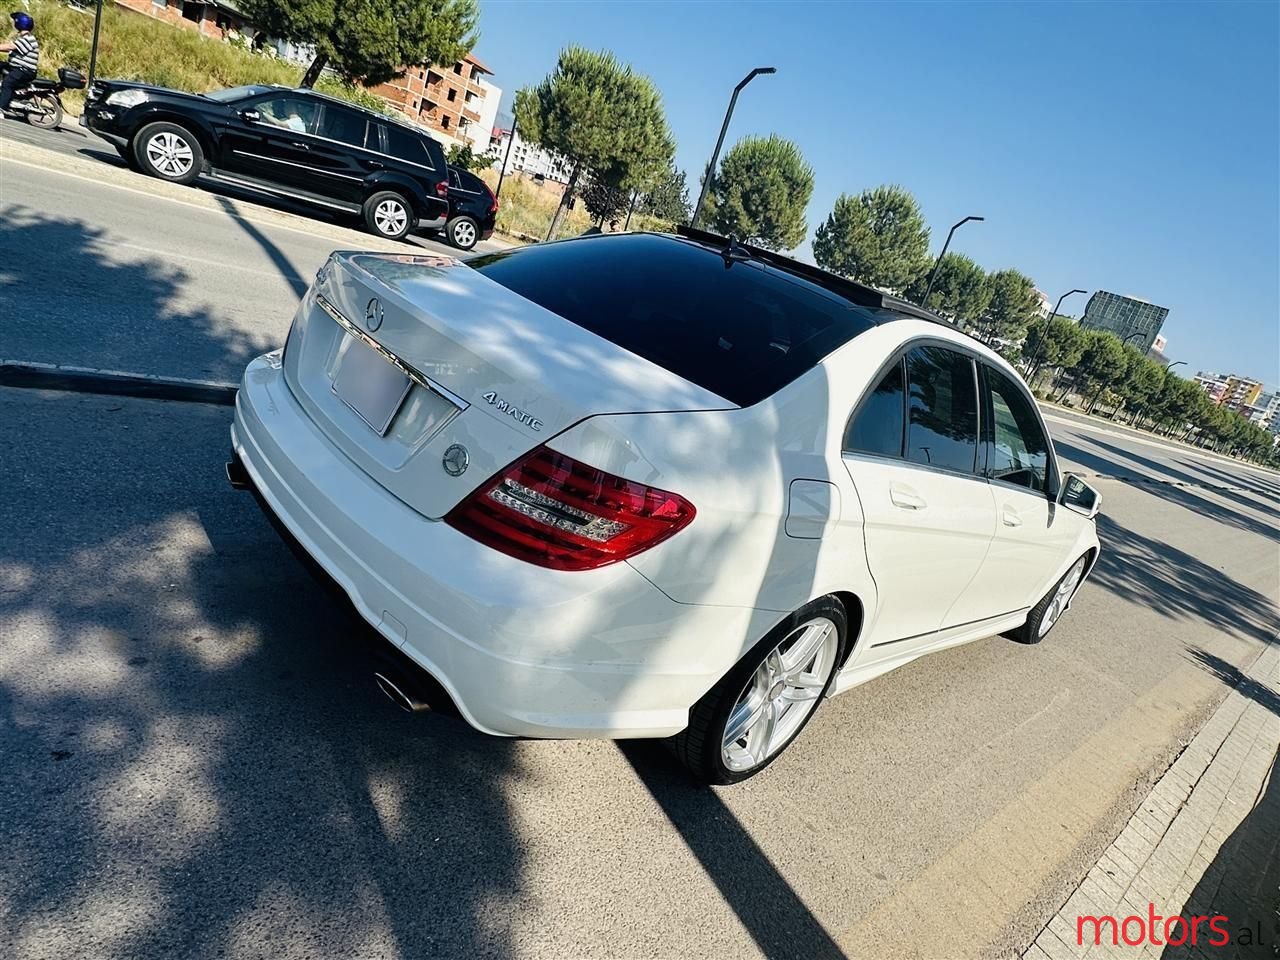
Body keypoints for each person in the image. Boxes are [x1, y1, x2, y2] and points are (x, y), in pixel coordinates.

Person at [0, 10, 39, 118]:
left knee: (7, 83)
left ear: (19, 24)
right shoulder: (24, 37)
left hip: (24, 70)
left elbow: (10, 47)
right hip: (17, 67)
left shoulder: (28, 39)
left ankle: (1, 109)